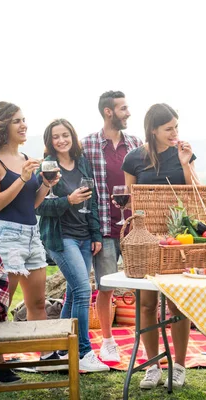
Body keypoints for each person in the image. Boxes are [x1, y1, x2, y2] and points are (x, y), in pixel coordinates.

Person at [0, 101, 53, 383]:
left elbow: (31, 205)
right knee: (0, 306)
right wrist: (22, 178)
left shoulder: (26, 158)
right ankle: (0, 363)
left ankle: (45, 356)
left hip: (32, 236)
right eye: (17, 121)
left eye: (24, 119)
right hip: (6, 237)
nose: (24, 125)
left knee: (38, 302)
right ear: (2, 126)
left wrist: (45, 185)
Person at [121, 103, 196, 389]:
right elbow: (129, 199)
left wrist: (186, 162)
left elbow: (193, 195)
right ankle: (152, 367)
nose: (175, 133)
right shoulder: (133, 159)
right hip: (145, 240)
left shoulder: (183, 153)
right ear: (153, 130)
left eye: (176, 126)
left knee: (179, 303)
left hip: (178, 237)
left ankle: (179, 366)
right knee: (146, 304)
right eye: (169, 128)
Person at [36, 119, 109, 372]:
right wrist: (68, 199)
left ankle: (62, 348)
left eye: (65, 135)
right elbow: (40, 207)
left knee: (71, 293)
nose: (61, 140)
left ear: (72, 136)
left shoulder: (82, 163)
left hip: (84, 237)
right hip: (60, 237)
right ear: (49, 141)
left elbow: (94, 200)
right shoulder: (46, 169)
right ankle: (83, 352)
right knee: (82, 291)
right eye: (55, 136)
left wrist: (96, 234)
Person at [81, 91, 143, 362]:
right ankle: (107, 341)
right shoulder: (88, 145)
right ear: (108, 112)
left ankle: (143, 338)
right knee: (105, 287)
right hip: (104, 229)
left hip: (134, 230)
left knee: (142, 287)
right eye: (123, 108)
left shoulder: (136, 144)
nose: (128, 113)